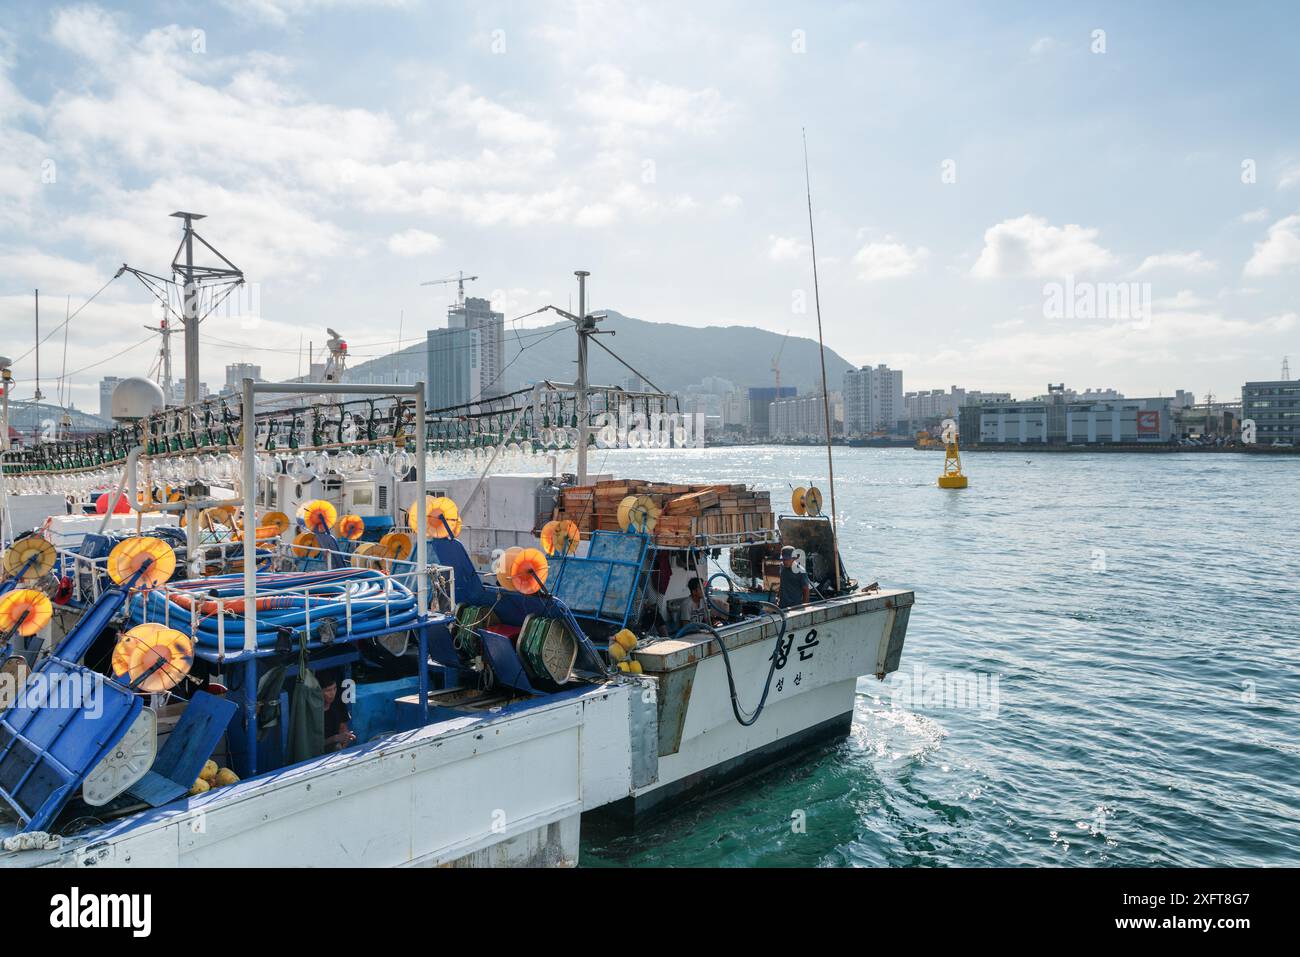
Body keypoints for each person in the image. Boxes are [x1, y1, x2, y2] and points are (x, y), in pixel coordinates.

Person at [318, 669, 356, 751]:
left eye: (334, 688)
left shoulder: (337, 704)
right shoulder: (312, 712)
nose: (332, 693)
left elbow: (343, 728)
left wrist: (345, 737)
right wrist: (335, 738)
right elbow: (310, 744)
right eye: (328, 690)